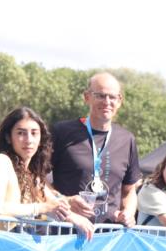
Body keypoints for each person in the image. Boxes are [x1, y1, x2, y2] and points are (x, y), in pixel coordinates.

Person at [0, 106, 93, 239]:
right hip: (1, 246)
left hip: (19, 247)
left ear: (41, 139)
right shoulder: (2, 161)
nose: (29, 140)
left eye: (34, 133)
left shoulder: (30, 172)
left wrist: (70, 205)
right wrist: (41, 208)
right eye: (21, 133)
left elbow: (51, 200)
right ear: (8, 137)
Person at [51, 72, 141, 225]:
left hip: (107, 238)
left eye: (112, 97)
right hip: (65, 234)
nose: (107, 102)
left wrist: (128, 213)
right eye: (100, 95)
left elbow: (129, 191)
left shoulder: (127, 140)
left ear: (119, 101)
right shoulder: (62, 132)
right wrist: (65, 201)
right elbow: (39, 180)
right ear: (87, 97)